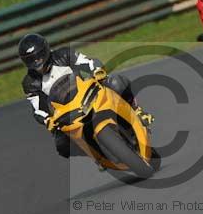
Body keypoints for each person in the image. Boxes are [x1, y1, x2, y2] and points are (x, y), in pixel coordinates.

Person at [18, 33, 153, 158]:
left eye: (39, 57)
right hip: (65, 113)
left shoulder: (63, 55)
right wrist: (47, 119)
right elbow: (37, 109)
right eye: (31, 60)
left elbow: (87, 62)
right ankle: (94, 154)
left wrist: (97, 70)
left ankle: (137, 111)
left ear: (45, 50)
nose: (37, 62)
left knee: (116, 82)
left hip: (89, 93)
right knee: (62, 146)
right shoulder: (29, 83)